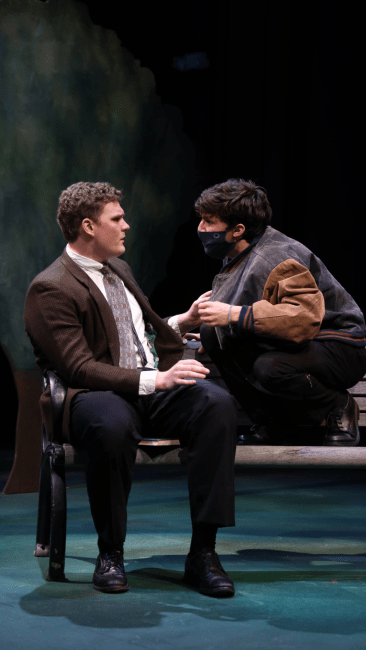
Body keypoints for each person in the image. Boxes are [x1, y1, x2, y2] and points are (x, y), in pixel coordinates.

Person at [24, 181, 238, 597]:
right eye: (117, 218)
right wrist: (157, 379)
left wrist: (181, 321)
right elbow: (81, 367)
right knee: (111, 424)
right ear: (88, 226)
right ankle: (110, 552)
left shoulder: (118, 268)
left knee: (216, 404)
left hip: (144, 388)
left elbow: (132, 334)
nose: (126, 225)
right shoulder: (50, 288)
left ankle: (204, 553)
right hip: (89, 396)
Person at [195, 178, 366, 446]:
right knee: (211, 333)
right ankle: (272, 422)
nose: (201, 228)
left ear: (238, 229)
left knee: (269, 367)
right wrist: (216, 332)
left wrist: (232, 315)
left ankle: (339, 405)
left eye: (209, 221)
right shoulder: (240, 253)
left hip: (339, 346)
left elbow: (303, 319)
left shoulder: (275, 257)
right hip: (298, 345)